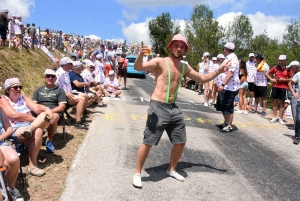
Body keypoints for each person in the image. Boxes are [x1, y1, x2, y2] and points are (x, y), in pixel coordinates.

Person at [132, 34, 231, 188]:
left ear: (185, 49)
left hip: (173, 107)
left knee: (180, 141)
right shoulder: (160, 61)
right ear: (170, 46)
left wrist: (219, 71)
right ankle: (137, 173)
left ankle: (171, 170)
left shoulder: (184, 66)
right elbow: (138, 67)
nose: (178, 49)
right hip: (158, 106)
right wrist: (141, 54)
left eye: (182, 46)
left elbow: (203, 79)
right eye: (176, 45)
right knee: (148, 141)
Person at [0, 78, 52, 176]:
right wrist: (35, 120)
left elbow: (36, 107)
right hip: (14, 127)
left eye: (20, 87)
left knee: (46, 119)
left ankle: (32, 166)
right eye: (15, 87)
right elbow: (13, 115)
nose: (19, 89)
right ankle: (33, 165)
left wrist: (47, 109)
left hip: (29, 126)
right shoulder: (3, 99)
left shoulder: (23, 98)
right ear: (8, 90)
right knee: (40, 127)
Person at [32, 69, 67, 153]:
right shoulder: (38, 90)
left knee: (52, 119)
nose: (50, 78)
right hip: (40, 111)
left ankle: (49, 140)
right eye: (48, 76)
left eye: (52, 76)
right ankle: (25, 140)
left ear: (55, 78)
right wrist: (40, 111)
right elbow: (33, 104)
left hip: (55, 112)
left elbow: (62, 107)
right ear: (44, 78)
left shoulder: (60, 90)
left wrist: (49, 111)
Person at [55, 57, 88, 130]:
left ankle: (80, 116)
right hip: (62, 96)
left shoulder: (66, 72)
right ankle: (78, 122)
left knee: (85, 96)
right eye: (70, 64)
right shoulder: (60, 73)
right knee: (81, 99)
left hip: (69, 94)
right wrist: (65, 92)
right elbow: (54, 86)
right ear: (65, 65)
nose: (72, 65)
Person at [215, 42, 240, 132]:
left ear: (225, 49)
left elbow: (230, 73)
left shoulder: (232, 58)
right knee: (222, 105)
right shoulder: (228, 58)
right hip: (225, 86)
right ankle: (226, 122)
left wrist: (222, 84)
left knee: (228, 106)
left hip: (229, 87)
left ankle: (229, 125)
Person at [0, 107, 24, 200]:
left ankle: (11, 188)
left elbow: (9, 129)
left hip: (0, 142)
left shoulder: (0, 109)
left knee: (13, 158)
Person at [265, 55, 293, 125]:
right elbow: (266, 73)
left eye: (282, 60)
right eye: (279, 60)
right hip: (275, 86)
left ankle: (281, 118)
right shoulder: (275, 68)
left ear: (285, 61)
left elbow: (291, 78)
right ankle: (274, 117)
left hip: (283, 87)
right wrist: (271, 79)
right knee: (274, 102)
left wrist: (283, 80)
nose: (280, 62)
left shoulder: (288, 69)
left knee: (282, 103)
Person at [288, 63, 300, 144]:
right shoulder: (298, 75)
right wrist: (294, 93)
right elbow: (290, 84)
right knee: (298, 118)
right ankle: (297, 136)